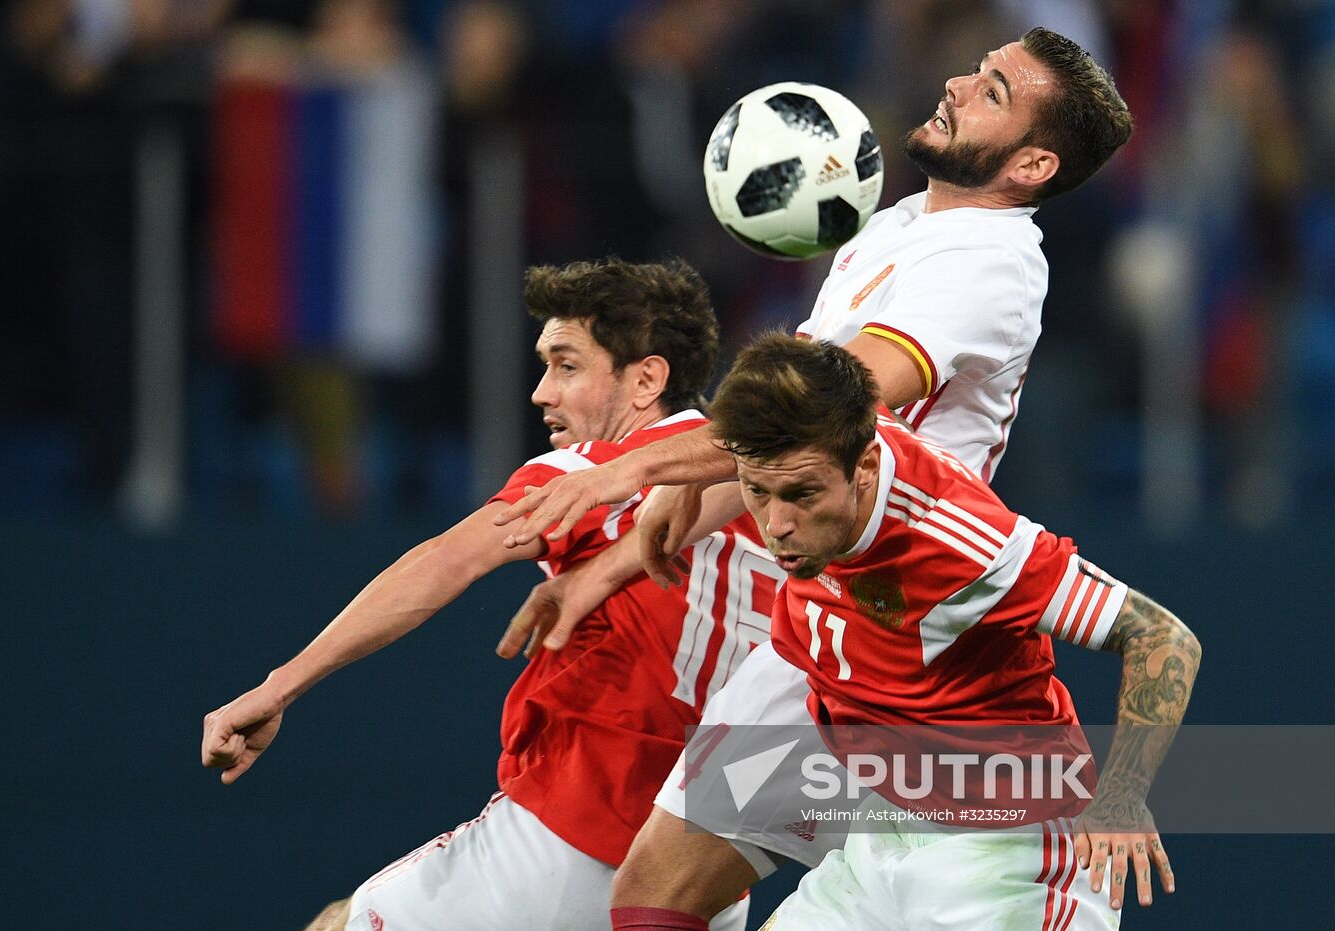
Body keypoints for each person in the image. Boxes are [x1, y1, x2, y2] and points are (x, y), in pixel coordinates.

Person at [490, 27, 1137, 928]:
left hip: (895, 630)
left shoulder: (988, 265)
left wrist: (623, 472)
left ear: (1032, 162)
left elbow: (810, 412)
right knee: (655, 892)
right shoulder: (898, 228)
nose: (955, 82)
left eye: (992, 90)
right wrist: (612, 562)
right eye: (976, 68)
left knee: (667, 891)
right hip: (816, 622)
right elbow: (779, 446)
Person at [200, 258, 776, 931]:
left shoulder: (594, 472)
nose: (541, 392)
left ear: (647, 378)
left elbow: (446, 561)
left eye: (566, 365)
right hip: (702, 885)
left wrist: (280, 685)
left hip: (564, 846)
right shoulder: (786, 488)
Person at [709, 334, 1199, 930]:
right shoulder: (823, 430)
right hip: (878, 838)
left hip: (1007, 855)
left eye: (801, 494)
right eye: (756, 491)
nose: (776, 525)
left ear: (864, 466)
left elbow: (1161, 636)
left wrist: (1122, 794)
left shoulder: (962, 545)